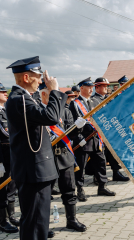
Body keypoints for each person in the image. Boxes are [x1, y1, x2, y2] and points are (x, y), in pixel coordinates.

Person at [6, 56, 68, 240]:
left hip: (37, 169)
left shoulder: (26, 98)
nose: (41, 81)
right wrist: (54, 90)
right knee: (34, 222)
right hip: (33, 170)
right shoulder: (19, 100)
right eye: (38, 76)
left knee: (39, 221)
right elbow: (51, 118)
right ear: (26, 77)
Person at [39, 81, 87, 232]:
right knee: (45, 195)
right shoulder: (38, 111)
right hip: (47, 159)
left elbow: (69, 133)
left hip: (65, 157)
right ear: (43, 94)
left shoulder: (64, 111)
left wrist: (78, 128)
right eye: (52, 93)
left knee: (69, 191)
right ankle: (43, 226)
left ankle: (71, 220)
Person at [69, 77, 115, 202]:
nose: (91, 89)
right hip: (83, 140)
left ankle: (102, 186)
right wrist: (78, 138)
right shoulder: (75, 103)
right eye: (88, 87)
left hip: (95, 139)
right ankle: (80, 189)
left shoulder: (94, 101)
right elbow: (72, 123)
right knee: (80, 167)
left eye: (92, 87)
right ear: (82, 88)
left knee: (101, 164)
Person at [92, 77, 129, 182]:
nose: (106, 88)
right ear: (97, 87)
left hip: (110, 131)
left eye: (107, 86)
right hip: (99, 132)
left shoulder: (108, 98)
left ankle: (116, 173)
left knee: (113, 153)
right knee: (100, 156)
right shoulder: (93, 100)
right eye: (104, 86)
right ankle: (97, 176)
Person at [0, 82, 19, 233]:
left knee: (11, 185)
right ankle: (2, 220)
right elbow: (7, 133)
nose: (5, 93)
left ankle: (11, 215)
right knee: (2, 188)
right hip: (1, 155)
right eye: (2, 92)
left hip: (11, 153)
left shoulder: (6, 110)